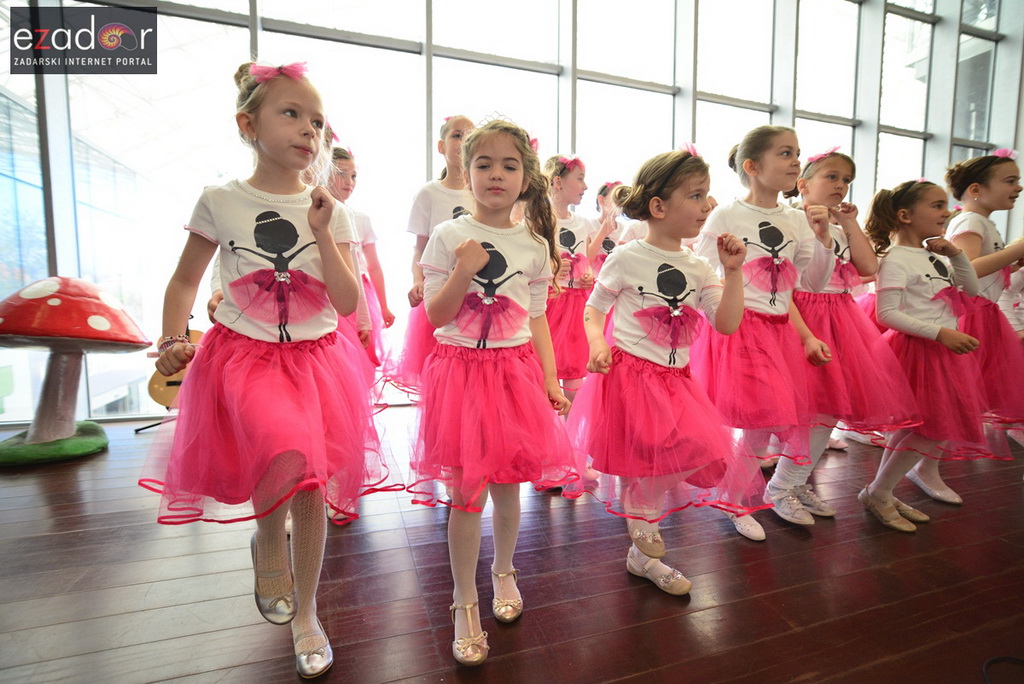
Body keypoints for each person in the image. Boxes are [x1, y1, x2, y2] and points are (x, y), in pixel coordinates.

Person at [139, 62, 390, 678]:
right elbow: (183, 280)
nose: (309, 130)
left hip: (317, 362)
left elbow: (347, 301)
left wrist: (324, 230)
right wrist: (174, 340)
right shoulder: (221, 199)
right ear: (247, 123)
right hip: (243, 358)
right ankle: (266, 544)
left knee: (311, 476)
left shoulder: (337, 212)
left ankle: (306, 612)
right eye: (292, 113)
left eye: (318, 121)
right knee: (280, 449)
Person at [407, 119, 577, 666]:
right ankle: (463, 600)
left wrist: (550, 380)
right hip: (459, 373)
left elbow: (539, 320)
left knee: (510, 485)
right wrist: (463, 270)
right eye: (483, 164)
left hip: (515, 373)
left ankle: (505, 570)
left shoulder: (533, 244)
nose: (495, 174)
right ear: (465, 170)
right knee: (466, 493)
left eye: (509, 165)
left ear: (527, 177)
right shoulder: (449, 234)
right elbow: (434, 314)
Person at [566, 147, 767, 594]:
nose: (707, 206)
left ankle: (641, 541)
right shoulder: (625, 257)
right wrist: (598, 342)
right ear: (658, 207)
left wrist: (734, 273)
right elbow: (593, 310)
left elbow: (727, 322)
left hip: (677, 381)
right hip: (630, 376)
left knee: (693, 450)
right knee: (642, 459)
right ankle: (644, 540)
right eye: (696, 196)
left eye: (707, 196)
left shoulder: (698, 267)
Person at [690, 125, 836, 541]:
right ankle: (735, 500)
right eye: (785, 154)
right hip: (738, 327)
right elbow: (701, 270)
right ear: (752, 167)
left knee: (765, 422)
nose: (795, 162)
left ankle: (737, 497)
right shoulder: (726, 215)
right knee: (757, 422)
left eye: (797, 153)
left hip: (778, 332)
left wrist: (823, 237)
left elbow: (812, 282)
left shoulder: (797, 219)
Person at [764, 148, 920, 524]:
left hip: (838, 319)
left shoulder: (839, 227)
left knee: (829, 408)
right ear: (802, 185)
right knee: (806, 409)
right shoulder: (787, 220)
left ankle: (794, 482)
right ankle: (780, 486)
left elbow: (869, 267)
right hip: (798, 314)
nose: (840, 185)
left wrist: (849, 224)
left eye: (846, 180)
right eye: (831, 177)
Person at [859, 179, 1003, 532]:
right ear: (906, 215)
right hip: (919, 351)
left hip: (943, 351)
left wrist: (955, 255)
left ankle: (881, 490)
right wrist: (942, 333)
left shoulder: (935, 253)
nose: (947, 212)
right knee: (932, 429)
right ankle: (879, 491)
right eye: (937, 206)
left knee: (923, 428)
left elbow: (971, 290)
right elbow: (886, 314)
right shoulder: (893, 259)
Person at [929, 151, 1024, 500]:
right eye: (1010, 181)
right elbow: (965, 270)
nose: (1019, 188)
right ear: (976, 189)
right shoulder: (970, 221)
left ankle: (925, 465)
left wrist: (1010, 264)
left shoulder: (983, 221)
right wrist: (1015, 250)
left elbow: (984, 275)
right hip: (971, 317)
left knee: (967, 396)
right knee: (959, 395)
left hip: (984, 314)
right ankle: (924, 466)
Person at [386, 116, 475, 392]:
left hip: (476, 293)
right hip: (439, 291)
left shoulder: (482, 193)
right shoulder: (429, 194)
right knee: (438, 377)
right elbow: (420, 248)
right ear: (441, 146)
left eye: (470, 136)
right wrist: (417, 280)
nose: (463, 143)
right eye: (457, 136)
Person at [329, 146, 394, 367]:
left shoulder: (361, 219)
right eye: (341, 174)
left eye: (354, 176)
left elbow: (373, 266)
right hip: (330, 293)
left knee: (358, 357)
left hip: (361, 295)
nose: (349, 182)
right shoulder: (318, 214)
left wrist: (383, 306)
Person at [544, 155, 600, 405]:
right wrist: (551, 268)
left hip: (577, 303)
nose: (585, 186)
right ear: (558, 182)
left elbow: (587, 260)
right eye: (579, 179)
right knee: (548, 365)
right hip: (550, 303)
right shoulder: (540, 221)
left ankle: (570, 428)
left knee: (575, 365)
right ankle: (551, 428)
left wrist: (587, 276)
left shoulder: (584, 223)